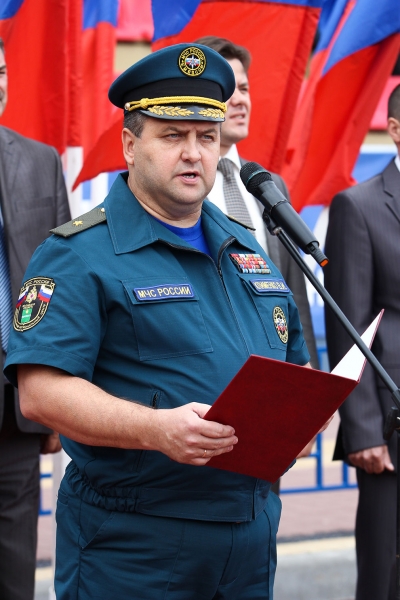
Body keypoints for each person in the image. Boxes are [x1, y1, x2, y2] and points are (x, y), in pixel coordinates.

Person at [5, 43, 314, 600]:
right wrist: (156, 429)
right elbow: (40, 392)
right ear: (130, 145)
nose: (193, 153)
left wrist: (302, 419)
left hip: (248, 537)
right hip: (136, 544)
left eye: (206, 137)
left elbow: (292, 364)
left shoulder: (246, 246)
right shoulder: (78, 254)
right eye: (172, 135)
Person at [195, 36, 319, 371]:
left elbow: (294, 294)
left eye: (245, 89)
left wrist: (310, 375)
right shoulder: (182, 186)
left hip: (276, 365)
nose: (240, 100)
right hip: (214, 369)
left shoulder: (266, 184)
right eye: (228, 91)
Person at [0, 39, 70, 600]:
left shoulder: (40, 161)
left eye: (0, 71)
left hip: (14, 402)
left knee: (13, 564)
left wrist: (57, 401)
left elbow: (58, 285)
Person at [324, 83, 400, 600]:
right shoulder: (359, 206)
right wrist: (364, 431)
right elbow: (349, 327)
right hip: (391, 428)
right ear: (394, 129)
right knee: (385, 572)